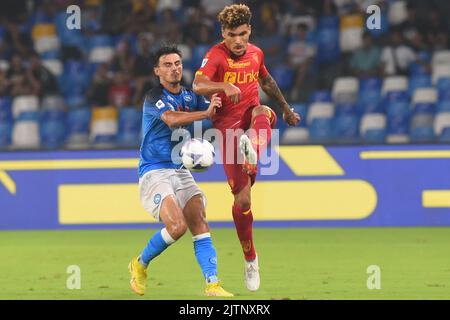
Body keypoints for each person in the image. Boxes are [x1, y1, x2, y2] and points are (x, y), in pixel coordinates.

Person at [193, 4, 300, 291]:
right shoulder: (216, 55)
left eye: (242, 34)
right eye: (231, 35)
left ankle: (252, 147)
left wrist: (287, 109)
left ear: (249, 30)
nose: (237, 40)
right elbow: (197, 84)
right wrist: (223, 87)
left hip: (253, 120)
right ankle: (250, 258)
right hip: (228, 133)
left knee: (262, 111)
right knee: (243, 202)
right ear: (223, 33)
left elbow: (265, 79)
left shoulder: (256, 53)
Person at [128, 44, 233, 297]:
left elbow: (215, 110)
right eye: (167, 64)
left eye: (177, 63)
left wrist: (222, 103)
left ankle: (212, 284)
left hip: (181, 169)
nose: (174, 68)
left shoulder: (189, 95)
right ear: (157, 71)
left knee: (199, 219)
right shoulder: (154, 97)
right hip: (154, 171)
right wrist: (206, 112)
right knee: (176, 227)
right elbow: (172, 119)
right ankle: (140, 264)